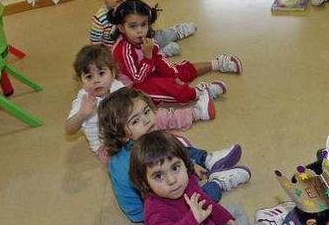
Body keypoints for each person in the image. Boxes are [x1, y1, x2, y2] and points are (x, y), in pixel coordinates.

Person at [130, 131, 293, 225]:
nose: (172, 180)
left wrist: (224, 221)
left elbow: (206, 202)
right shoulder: (154, 210)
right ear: (144, 183)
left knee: (235, 210)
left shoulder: (187, 182)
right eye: (158, 176)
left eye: (175, 168)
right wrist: (193, 220)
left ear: (185, 164)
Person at [98, 88, 250, 222]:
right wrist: (189, 174)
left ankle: (207, 160)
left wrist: (190, 164)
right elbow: (164, 189)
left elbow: (170, 159)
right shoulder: (135, 163)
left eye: (146, 111)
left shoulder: (143, 138)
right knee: (196, 203)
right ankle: (218, 183)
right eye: (135, 121)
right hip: (150, 204)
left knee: (175, 149)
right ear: (123, 135)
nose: (146, 120)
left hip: (158, 176)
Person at [64, 45, 215, 163]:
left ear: (112, 72)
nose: (96, 80)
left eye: (101, 73)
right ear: (80, 80)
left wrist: (146, 113)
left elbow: (133, 103)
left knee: (158, 115)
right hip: (109, 147)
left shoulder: (116, 85)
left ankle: (196, 113)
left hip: (132, 127)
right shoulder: (83, 100)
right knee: (138, 160)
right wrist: (82, 114)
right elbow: (69, 129)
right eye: (88, 76)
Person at [108, 0, 240, 105]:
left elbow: (159, 60)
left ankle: (217, 63)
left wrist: (174, 75)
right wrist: (148, 57)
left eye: (144, 24)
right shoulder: (122, 51)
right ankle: (200, 92)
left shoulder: (145, 39)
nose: (140, 30)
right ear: (121, 28)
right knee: (164, 86)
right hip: (134, 87)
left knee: (178, 70)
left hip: (148, 70)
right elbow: (137, 78)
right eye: (133, 26)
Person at [90, 0, 195, 57]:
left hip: (140, 39)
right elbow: (96, 44)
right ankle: (162, 53)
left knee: (158, 36)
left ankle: (176, 32)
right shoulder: (99, 19)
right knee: (130, 63)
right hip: (120, 52)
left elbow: (145, 22)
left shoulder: (130, 6)